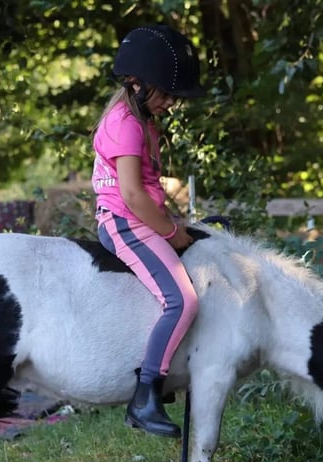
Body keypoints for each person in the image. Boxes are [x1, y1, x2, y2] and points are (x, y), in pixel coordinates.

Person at [91, 25, 206, 438]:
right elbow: (134, 195)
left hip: (140, 217)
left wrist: (184, 226)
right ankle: (145, 396)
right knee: (182, 302)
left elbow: (151, 192)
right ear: (136, 84)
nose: (171, 101)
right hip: (125, 223)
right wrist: (173, 232)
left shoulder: (144, 122)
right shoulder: (127, 125)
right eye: (165, 93)